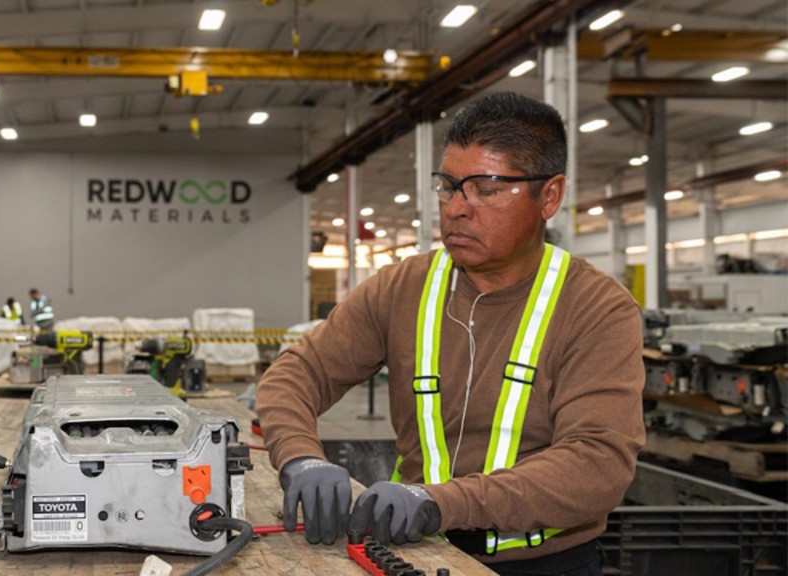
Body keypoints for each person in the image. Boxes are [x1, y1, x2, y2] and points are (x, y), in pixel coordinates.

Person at [257, 92, 644, 575]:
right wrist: (301, 458)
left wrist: (442, 502)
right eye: (448, 186)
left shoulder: (596, 308)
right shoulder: (403, 287)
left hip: (544, 564)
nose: (457, 208)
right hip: (412, 555)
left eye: (486, 188)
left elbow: (597, 464)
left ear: (549, 196)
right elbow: (296, 373)